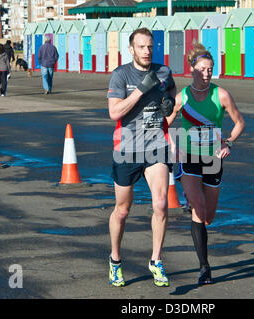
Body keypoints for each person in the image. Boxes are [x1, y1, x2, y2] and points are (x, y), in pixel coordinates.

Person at [166, 42, 245, 286]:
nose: (207, 73)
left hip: (213, 159)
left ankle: (194, 201)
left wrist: (228, 143)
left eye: (210, 69)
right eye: (202, 69)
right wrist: (173, 145)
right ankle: (204, 267)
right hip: (188, 158)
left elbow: (240, 122)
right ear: (192, 70)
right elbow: (164, 124)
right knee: (199, 211)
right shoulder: (183, 97)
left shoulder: (221, 95)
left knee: (209, 216)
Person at [107, 27, 176, 287]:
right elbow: (114, 113)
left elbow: (171, 95)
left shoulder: (164, 71)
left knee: (160, 204)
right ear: (132, 49)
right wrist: (140, 91)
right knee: (122, 211)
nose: (147, 51)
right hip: (126, 149)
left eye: (150, 46)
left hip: (155, 145)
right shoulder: (120, 75)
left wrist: (170, 106)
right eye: (141, 47)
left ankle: (156, 260)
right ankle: (115, 260)